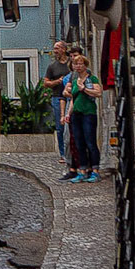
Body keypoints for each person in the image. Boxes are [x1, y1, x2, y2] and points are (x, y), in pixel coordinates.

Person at [67, 48, 103, 182]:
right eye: (76, 64)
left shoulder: (91, 78)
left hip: (89, 113)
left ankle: (95, 170)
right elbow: (72, 98)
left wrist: (85, 89)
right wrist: (68, 114)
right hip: (76, 114)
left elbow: (98, 93)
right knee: (79, 143)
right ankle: (82, 170)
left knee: (90, 142)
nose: (78, 66)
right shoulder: (75, 80)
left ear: (85, 65)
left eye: (80, 64)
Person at [43, 40, 74, 177]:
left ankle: (72, 152)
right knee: (60, 127)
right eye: (54, 49)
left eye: (57, 48)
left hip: (71, 97)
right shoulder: (52, 67)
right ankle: (63, 153)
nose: (55, 51)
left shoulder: (70, 64)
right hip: (57, 97)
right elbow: (46, 83)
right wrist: (57, 82)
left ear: (63, 49)